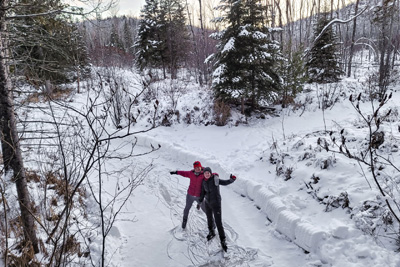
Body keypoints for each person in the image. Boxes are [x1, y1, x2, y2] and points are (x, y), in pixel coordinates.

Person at [198, 167, 236, 252]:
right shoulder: (203, 181)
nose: (207, 174)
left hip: (216, 204)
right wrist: (200, 202)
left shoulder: (215, 179)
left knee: (218, 222)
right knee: (209, 219)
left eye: (208, 173)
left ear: (210, 173)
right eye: (205, 173)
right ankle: (212, 232)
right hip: (207, 203)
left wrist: (231, 179)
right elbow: (202, 193)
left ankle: (223, 240)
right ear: (203, 174)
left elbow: (225, 182)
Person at [170, 161, 206, 229]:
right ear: (194, 168)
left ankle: (212, 223)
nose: (197, 169)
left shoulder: (204, 174)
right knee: (186, 209)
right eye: (196, 168)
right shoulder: (191, 173)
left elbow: (211, 176)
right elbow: (183, 173)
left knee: (206, 210)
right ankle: (184, 221)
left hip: (199, 196)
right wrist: (175, 172)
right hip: (190, 195)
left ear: (201, 167)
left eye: (198, 167)